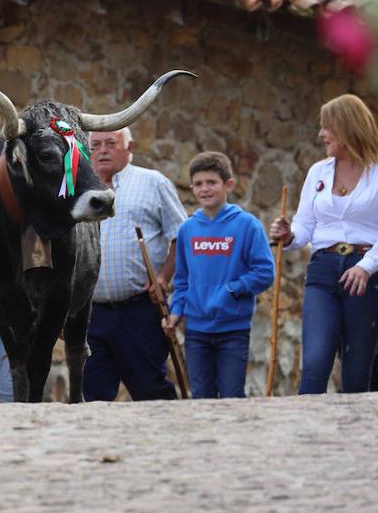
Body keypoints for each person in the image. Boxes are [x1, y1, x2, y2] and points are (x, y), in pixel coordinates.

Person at [269, 94, 378, 394]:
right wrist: (288, 235)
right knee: (314, 364)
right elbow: (305, 226)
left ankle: (353, 438)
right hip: (323, 270)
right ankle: (306, 436)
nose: (321, 134)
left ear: (348, 128)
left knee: (356, 372)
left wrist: (366, 268)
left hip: (366, 275)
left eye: (328, 127)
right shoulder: (318, 172)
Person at [84, 128, 187, 401]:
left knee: (149, 389)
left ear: (129, 146)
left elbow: (181, 236)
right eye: (95, 145)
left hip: (139, 309)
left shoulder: (153, 182)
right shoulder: (78, 188)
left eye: (110, 144)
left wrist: (163, 277)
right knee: (92, 394)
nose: (102, 150)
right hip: (91, 314)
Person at [164, 152, 274, 398]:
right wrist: (175, 312)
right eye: (199, 184)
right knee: (201, 396)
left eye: (212, 182)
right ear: (192, 187)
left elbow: (265, 272)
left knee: (231, 395)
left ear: (229, 184)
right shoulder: (187, 230)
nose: (205, 189)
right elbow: (182, 281)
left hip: (233, 330)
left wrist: (232, 289)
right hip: (196, 331)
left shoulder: (248, 225)